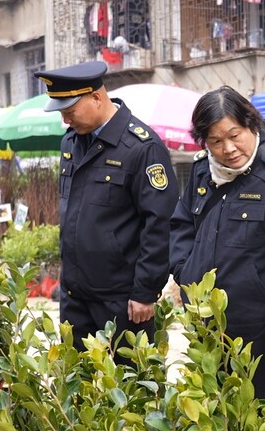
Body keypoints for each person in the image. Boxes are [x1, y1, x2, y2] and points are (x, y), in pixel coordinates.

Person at [169, 86, 265, 401]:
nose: (227, 149)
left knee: (256, 412)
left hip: (257, 324)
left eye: (234, 135)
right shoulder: (201, 171)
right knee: (209, 410)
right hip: (203, 316)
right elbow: (181, 225)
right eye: (215, 141)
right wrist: (184, 272)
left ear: (251, 125)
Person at [39, 60, 178, 356]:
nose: (66, 121)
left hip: (122, 299)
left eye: (70, 112)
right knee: (79, 387)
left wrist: (145, 291)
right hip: (75, 295)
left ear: (96, 98)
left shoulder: (141, 147)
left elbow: (159, 224)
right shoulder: (71, 143)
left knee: (130, 391)